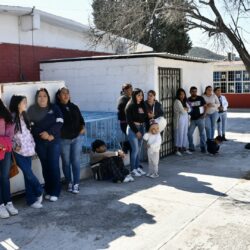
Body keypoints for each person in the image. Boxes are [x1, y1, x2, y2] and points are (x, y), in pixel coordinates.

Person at [28, 88, 63, 202]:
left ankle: (55, 191)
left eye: (44, 96)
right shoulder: (32, 109)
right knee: (45, 166)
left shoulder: (54, 108)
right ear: (36, 98)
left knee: (53, 166)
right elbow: (31, 126)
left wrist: (50, 134)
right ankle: (48, 190)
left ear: (48, 97)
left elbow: (60, 122)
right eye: (40, 96)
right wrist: (42, 134)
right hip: (40, 142)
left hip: (54, 141)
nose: (42, 98)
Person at [9, 95, 43, 209]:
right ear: (18, 104)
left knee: (28, 176)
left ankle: (31, 200)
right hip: (18, 152)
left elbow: (28, 133)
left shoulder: (25, 115)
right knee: (28, 173)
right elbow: (8, 135)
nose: (26, 104)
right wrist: (14, 146)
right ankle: (39, 190)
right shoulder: (12, 118)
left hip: (28, 150)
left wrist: (33, 144)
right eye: (24, 102)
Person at [56, 87, 85, 194]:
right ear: (59, 96)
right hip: (64, 140)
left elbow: (82, 120)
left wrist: (83, 127)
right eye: (63, 93)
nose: (66, 95)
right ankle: (69, 182)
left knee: (76, 161)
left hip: (77, 138)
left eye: (67, 93)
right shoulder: (56, 108)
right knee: (66, 162)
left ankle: (76, 183)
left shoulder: (74, 107)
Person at [0, 99, 18, 219]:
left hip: (5, 149)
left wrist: (4, 143)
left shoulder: (3, 110)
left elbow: (11, 129)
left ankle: (8, 202)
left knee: (5, 177)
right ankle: (0, 205)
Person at [125, 88, 147, 176]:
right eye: (138, 95)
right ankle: (133, 169)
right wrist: (136, 131)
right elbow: (129, 121)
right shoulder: (130, 106)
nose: (141, 97)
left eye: (141, 95)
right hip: (132, 129)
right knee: (135, 149)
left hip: (142, 127)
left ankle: (137, 167)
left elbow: (144, 117)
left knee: (138, 149)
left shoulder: (142, 105)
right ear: (134, 95)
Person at [187, 86, 207, 153]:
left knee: (202, 134)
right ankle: (191, 147)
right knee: (189, 133)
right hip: (193, 120)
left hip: (200, 119)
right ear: (190, 92)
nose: (194, 92)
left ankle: (203, 147)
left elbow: (205, 106)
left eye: (195, 91)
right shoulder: (188, 100)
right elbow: (188, 109)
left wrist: (204, 114)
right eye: (193, 91)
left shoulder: (200, 98)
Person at [173, 88, 192, 156]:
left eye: (183, 94)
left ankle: (184, 148)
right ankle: (177, 149)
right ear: (178, 95)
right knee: (179, 134)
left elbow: (190, 109)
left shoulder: (185, 101)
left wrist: (186, 109)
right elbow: (183, 111)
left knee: (184, 133)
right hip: (179, 119)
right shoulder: (177, 101)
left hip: (185, 119)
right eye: (181, 94)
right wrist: (186, 109)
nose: (182, 96)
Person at [117, 83, 133, 153]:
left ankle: (125, 146)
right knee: (133, 140)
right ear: (124, 90)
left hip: (129, 122)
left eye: (131, 89)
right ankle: (124, 146)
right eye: (129, 89)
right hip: (125, 123)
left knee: (133, 140)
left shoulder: (129, 98)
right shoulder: (123, 98)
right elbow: (121, 107)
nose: (130, 91)